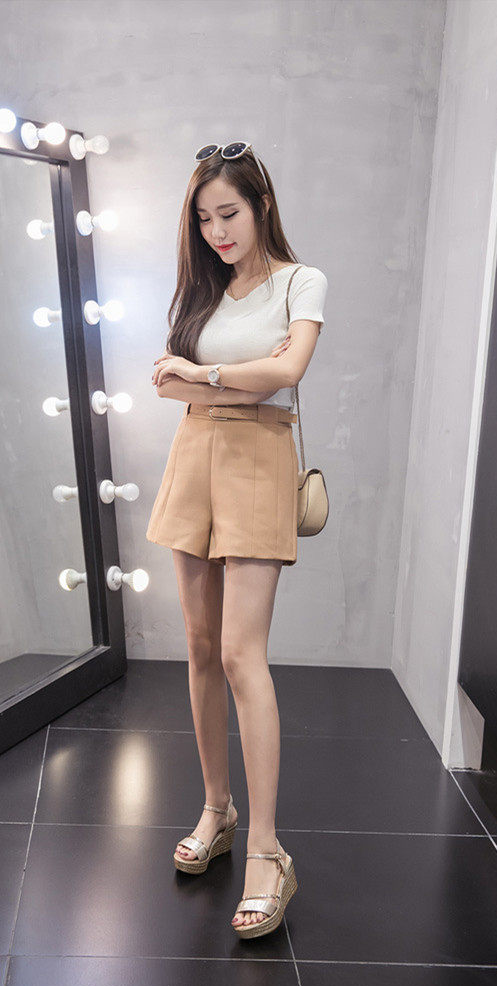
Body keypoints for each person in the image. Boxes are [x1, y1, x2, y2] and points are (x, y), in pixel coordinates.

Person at [146, 142, 327, 938]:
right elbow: (163, 383)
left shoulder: (300, 281)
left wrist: (206, 375)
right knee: (198, 646)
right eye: (203, 218)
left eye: (229, 214)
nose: (217, 231)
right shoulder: (203, 288)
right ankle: (216, 809)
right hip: (193, 456)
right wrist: (223, 376)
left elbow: (288, 371)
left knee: (240, 653)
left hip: (258, 458)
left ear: (261, 206)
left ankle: (265, 849)